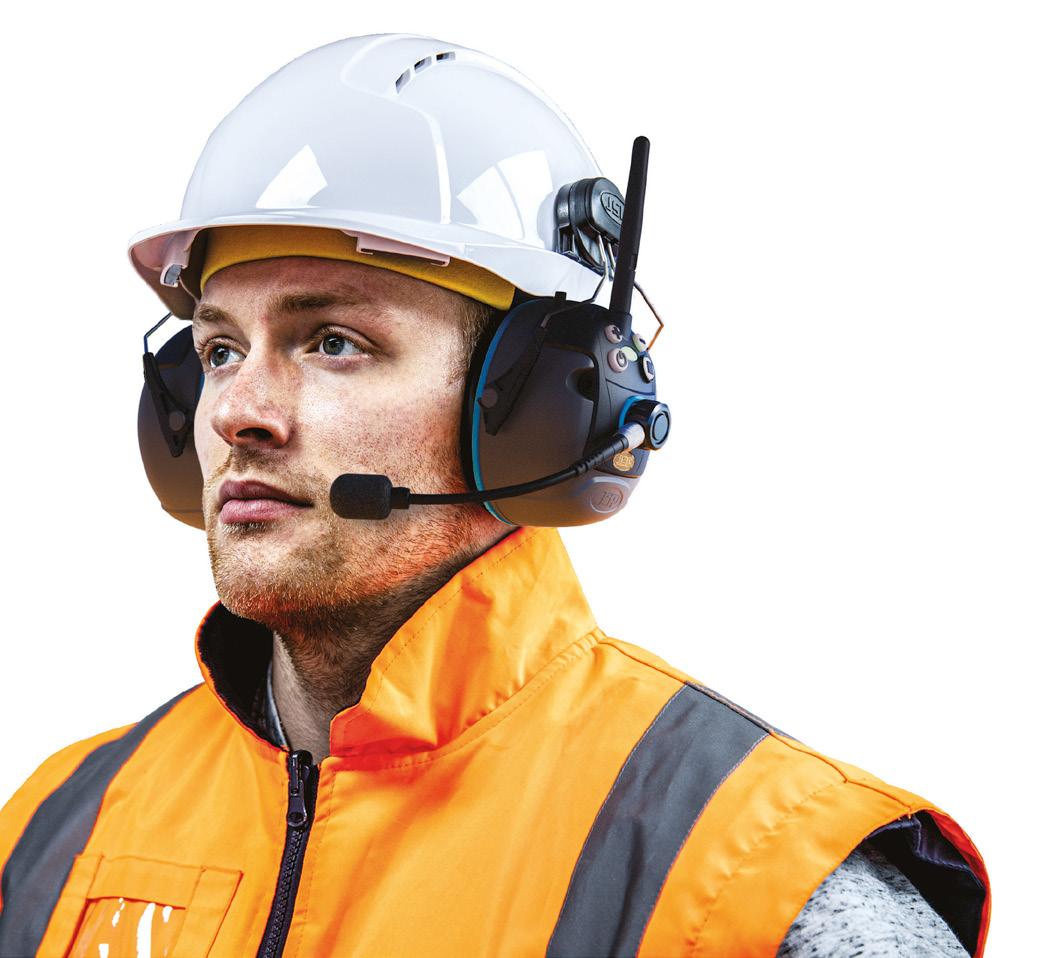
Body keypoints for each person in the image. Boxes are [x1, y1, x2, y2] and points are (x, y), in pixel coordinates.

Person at [0, 33, 988, 957]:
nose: (236, 413)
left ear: (543, 408)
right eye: (219, 350)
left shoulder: (759, 877)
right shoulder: (50, 831)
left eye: (334, 342)